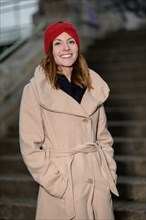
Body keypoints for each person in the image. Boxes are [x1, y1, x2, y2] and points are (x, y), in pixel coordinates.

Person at [19, 21, 119, 220]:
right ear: (50, 50)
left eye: (71, 41)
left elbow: (103, 138)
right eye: (57, 43)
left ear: (77, 46)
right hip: (63, 186)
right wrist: (57, 184)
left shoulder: (92, 86)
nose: (66, 48)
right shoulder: (35, 90)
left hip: (97, 183)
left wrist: (109, 172)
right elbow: (30, 146)